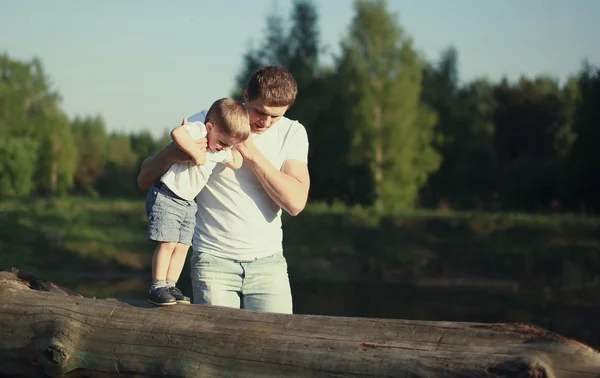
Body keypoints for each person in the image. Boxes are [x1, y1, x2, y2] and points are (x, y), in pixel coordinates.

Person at [137, 66, 310, 314]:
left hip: (269, 265)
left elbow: (295, 203)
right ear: (246, 97)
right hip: (212, 262)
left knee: (276, 348)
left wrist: (251, 153)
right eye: (260, 111)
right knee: (214, 349)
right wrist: (174, 154)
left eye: (276, 116)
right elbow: (144, 178)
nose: (266, 122)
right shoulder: (213, 120)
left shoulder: (293, 132)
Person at [145, 98, 250, 306]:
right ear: (210, 127)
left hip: (188, 203)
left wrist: (237, 144)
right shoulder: (200, 131)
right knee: (168, 242)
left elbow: (236, 162)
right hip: (168, 194)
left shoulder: (219, 149)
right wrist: (194, 152)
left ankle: (170, 284)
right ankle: (157, 285)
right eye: (222, 143)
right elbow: (177, 133)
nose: (222, 149)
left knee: (183, 246)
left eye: (227, 145)